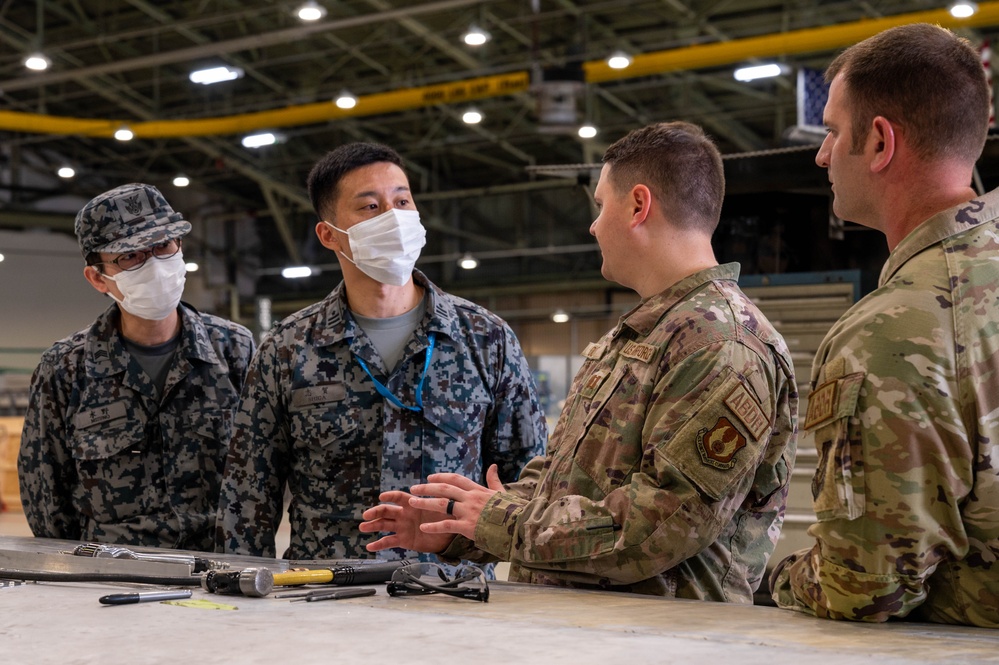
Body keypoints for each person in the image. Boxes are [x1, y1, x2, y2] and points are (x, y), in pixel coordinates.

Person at [361, 122, 798, 601]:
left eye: (599, 205)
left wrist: (498, 521)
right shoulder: (642, 333)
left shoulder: (721, 342)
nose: (593, 226)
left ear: (638, 205)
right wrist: (461, 527)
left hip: (662, 638)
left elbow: (661, 526)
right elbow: (564, 482)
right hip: (589, 626)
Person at [769, 24, 999, 628]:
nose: (820, 155)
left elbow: (865, 586)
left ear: (879, 142)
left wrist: (779, 579)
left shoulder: (893, 328)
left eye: (831, 131)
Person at [216, 142, 547, 560]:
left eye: (402, 201)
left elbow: (530, 481)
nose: (393, 217)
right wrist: (243, 591)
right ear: (328, 235)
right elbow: (248, 495)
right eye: (370, 207)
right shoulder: (287, 348)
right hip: (323, 596)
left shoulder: (485, 338)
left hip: (452, 596)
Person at [18, 183, 255, 551]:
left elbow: (263, 470)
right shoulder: (64, 369)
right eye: (130, 257)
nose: (155, 266)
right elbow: (45, 494)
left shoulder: (234, 349)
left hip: (221, 566)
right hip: (115, 571)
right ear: (98, 277)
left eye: (163, 246)